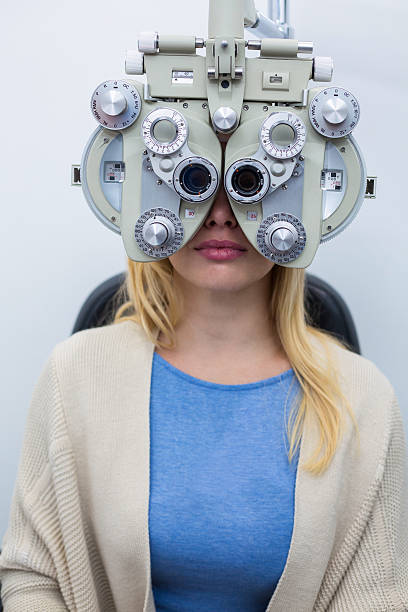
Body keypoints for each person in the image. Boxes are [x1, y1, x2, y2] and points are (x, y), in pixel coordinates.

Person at [0, 137, 407, 612]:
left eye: (249, 181)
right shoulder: (75, 372)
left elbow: (376, 596)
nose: (218, 213)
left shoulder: (364, 396)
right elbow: (33, 576)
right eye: (192, 180)